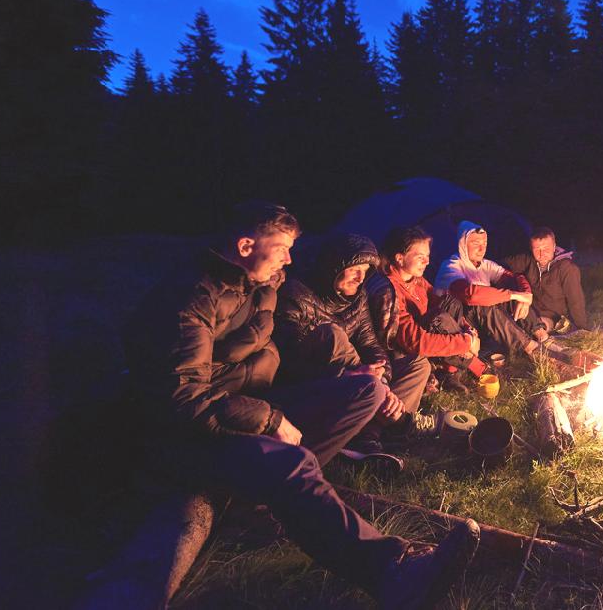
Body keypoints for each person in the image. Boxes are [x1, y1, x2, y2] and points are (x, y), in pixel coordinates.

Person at [123, 202, 478, 606]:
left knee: (367, 392)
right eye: (282, 249)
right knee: (293, 464)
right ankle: (393, 572)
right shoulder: (193, 299)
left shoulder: (260, 286)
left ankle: (273, 496)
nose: (290, 259)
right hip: (191, 433)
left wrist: (358, 374)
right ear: (244, 246)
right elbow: (184, 399)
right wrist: (270, 418)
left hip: (248, 403)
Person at [274, 233, 429, 455]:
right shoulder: (296, 294)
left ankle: (369, 434)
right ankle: (396, 423)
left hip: (359, 377)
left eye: (365, 272)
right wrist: (350, 373)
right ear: (334, 266)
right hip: (320, 382)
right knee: (333, 335)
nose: (360, 277)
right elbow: (289, 360)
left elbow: (370, 344)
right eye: (355, 269)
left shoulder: (357, 297)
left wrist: (381, 378)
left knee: (417, 364)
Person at [367, 225, 486, 398]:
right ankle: (474, 365)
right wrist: (466, 343)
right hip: (408, 351)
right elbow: (416, 341)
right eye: (420, 257)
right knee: (439, 318)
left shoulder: (417, 280)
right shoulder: (390, 292)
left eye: (428, 256)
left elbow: (440, 302)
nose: (427, 262)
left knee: (450, 302)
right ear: (399, 258)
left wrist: (469, 331)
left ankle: (449, 371)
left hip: (432, 335)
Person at [433, 221, 545, 357]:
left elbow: (515, 278)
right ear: (463, 244)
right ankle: (530, 348)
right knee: (484, 302)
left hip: (483, 324)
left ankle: (541, 335)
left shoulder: (485, 264)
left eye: (484, 244)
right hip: (460, 327)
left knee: (512, 293)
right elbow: (470, 295)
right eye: (475, 244)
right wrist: (514, 295)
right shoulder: (451, 266)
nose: (482, 249)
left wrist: (525, 295)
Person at [505, 226, 589, 334]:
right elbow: (499, 266)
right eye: (537, 250)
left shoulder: (567, 268)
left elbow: (576, 301)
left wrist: (582, 329)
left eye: (546, 249)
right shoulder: (527, 260)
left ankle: (537, 332)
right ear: (531, 249)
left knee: (537, 326)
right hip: (530, 311)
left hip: (554, 318)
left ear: (554, 247)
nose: (542, 254)